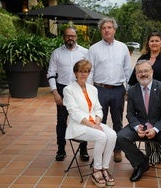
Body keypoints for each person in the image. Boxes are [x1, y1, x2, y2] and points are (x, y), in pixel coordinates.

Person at [117, 60, 161, 188]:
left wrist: (156, 129)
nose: (143, 74)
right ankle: (141, 164)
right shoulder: (133, 90)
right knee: (121, 137)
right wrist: (136, 126)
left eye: (146, 71)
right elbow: (130, 113)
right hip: (141, 125)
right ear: (136, 74)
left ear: (152, 72)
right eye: (140, 72)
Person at [63, 59, 117, 188]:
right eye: (81, 71)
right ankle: (96, 170)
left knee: (113, 135)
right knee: (102, 136)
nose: (84, 74)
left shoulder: (93, 89)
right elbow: (74, 112)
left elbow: (98, 108)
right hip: (78, 126)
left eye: (86, 71)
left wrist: (98, 121)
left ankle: (104, 167)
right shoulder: (68, 90)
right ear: (75, 73)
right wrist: (93, 126)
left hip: (94, 122)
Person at [87, 17, 132, 162]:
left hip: (118, 90)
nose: (107, 30)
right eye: (104, 28)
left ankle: (117, 149)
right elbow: (90, 72)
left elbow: (127, 70)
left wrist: (129, 89)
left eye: (109, 27)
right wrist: (88, 91)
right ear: (101, 30)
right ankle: (100, 152)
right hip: (100, 90)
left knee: (118, 121)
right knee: (100, 121)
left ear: (114, 29)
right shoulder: (93, 49)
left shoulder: (123, 47)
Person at [47, 27, 89, 161]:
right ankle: (61, 150)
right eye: (67, 36)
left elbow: (90, 72)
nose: (70, 38)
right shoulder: (56, 53)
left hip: (80, 89)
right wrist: (55, 92)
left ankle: (83, 150)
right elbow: (51, 73)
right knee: (61, 121)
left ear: (76, 36)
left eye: (73, 35)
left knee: (83, 119)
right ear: (63, 37)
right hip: (62, 89)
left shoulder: (85, 52)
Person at [128, 31, 161, 108]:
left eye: (157, 41)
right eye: (152, 41)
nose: (154, 43)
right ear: (148, 43)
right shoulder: (143, 58)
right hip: (144, 97)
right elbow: (134, 79)